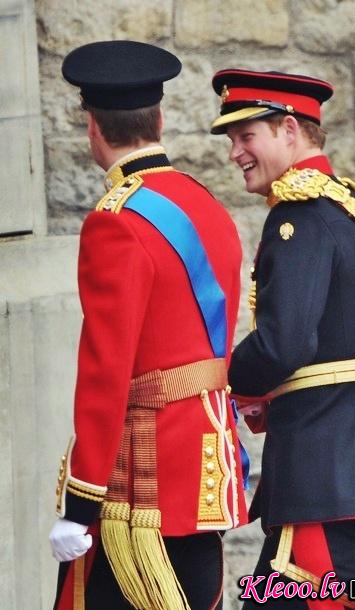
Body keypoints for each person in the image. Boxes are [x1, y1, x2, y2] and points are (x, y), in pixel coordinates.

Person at [210, 69, 355, 609]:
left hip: (321, 462)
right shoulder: (350, 209)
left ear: (289, 129)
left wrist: (221, 379)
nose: (235, 153)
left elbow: (285, 344)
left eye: (246, 137)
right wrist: (271, 390)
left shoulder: (301, 217)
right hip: (338, 457)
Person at [49, 41, 248, 610]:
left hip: (143, 484)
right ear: (158, 119)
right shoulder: (205, 203)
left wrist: (81, 503)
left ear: (93, 126)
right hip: (206, 462)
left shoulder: (114, 222)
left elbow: (106, 371)